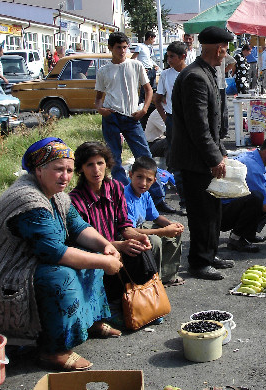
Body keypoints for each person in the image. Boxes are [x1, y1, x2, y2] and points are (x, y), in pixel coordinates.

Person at [0, 138, 123, 371]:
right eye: (58, 169)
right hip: (2, 279)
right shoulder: (28, 200)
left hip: (30, 266)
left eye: (69, 170)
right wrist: (105, 262)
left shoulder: (58, 195)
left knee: (91, 253)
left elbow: (78, 227)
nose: (66, 176)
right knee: (60, 276)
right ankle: (53, 350)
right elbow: (54, 252)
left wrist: (104, 246)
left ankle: (90, 321)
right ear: (39, 169)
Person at [170, 25, 235, 280]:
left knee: (213, 209)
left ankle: (209, 253)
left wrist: (221, 152)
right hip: (194, 159)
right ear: (219, 49)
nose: (226, 54)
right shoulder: (195, 76)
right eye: (225, 50)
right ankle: (199, 261)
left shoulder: (207, 72)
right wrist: (214, 157)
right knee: (201, 212)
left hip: (205, 156)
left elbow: (215, 123)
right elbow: (199, 126)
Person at [69, 142, 157, 319]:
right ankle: (116, 305)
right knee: (118, 256)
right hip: (94, 252)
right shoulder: (75, 200)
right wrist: (118, 245)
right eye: (90, 165)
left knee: (141, 248)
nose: (96, 170)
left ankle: (147, 299)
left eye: (100, 163)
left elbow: (124, 226)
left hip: (115, 243)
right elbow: (84, 239)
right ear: (80, 169)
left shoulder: (115, 187)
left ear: (107, 164)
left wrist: (139, 237)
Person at [94, 31, 173, 213]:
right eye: (118, 48)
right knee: (114, 159)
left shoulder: (135, 65)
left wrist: (144, 109)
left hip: (132, 117)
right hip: (111, 116)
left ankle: (158, 198)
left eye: (125, 47)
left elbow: (148, 90)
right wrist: (100, 109)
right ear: (110, 48)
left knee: (144, 156)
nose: (122, 51)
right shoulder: (104, 70)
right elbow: (98, 98)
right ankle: (124, 197)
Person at [123, 156, 184, 286]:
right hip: (129, 233)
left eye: (148, 180)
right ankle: (152, 280)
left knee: (174, 233)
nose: (143, 183)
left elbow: (156, 217)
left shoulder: (145, 194)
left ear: (154, 181)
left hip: (142, 228)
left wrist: (172, 226)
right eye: (139, 177)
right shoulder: (126, 197)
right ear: (130, 175)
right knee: (155, 240)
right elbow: (130, 230)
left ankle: (168, 276)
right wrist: (162, 231)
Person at [153, 41, 188, 215]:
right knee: (176, 161)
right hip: (173, 121)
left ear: (183, 57)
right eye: (167, 56)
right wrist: (166, 118)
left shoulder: (192, 72)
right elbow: (157, 99)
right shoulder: (165, 74)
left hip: (191, 121)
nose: (169, 59)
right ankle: (184, 201)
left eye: (172, 56)